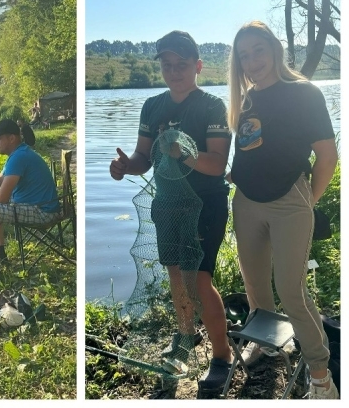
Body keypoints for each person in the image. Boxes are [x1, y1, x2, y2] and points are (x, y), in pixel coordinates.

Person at [109, 30, 233, 392]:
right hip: (166, 204)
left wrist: (185, 155)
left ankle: (222, 356)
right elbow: (143, 158)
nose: (174, 71)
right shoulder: (152, 106)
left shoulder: (212, 105)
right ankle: (186, 336)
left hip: (205, 204)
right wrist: (125, 167)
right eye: (167, 65)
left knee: (199, 281)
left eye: (181, 65)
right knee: (176, 275)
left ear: (197, 66)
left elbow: (217, 162)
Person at [227, 21, 339, 399]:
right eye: (244, 55)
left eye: (258, 50)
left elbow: (327, 156)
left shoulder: (303, 93)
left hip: (290, 202)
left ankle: (322, 378)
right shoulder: (247, 99)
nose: (252, 61)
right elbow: (252, 148)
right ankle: (269, 345)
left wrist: (308, 201)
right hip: (246, 204)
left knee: (291, 290)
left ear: (275, 48)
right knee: (255, 284)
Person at [0, 119, 60, 278]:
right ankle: (0, 255)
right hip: (40, 206)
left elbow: (0, 199)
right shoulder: (17, 154)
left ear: (11, 138)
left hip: (43, 211)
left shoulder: (19, 157)